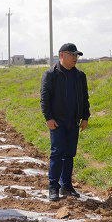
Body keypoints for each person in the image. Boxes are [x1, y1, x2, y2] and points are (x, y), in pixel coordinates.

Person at [40, 43, 91, 201]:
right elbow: (45, 98)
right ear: (62, 55)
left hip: (73, 121)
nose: (75, 58)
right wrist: (48, 118)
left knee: (69, 154)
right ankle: (53, 187)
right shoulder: (51, 74)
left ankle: (66, 186)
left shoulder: (80, 76)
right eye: (72, 55)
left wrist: (85, 117)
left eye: (77, 55)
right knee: (57, 153)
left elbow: (85, 97)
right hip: (57, 122)